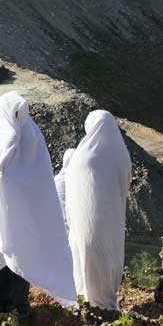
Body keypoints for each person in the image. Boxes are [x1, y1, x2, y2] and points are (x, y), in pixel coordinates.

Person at [0, 93, 76, 317]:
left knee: (23, 255)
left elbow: (40, 176)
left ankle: (20, 308)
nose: (18, 118)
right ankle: (2, 306)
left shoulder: (32, 135)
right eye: (15, 113)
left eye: (21, 113)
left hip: (25, 212)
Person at [64, 110, 132, 311]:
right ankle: (106, 300)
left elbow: (73, 187)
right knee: (109, 255)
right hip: (113, 219)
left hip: (86, 220)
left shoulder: (83, 155)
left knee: (86, 253)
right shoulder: (122, 155)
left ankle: (87, 300)